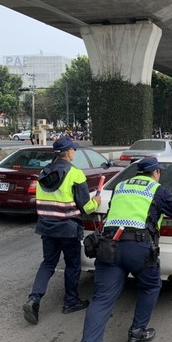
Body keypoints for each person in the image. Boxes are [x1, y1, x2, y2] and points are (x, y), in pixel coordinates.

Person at [71, 157, 172, 342]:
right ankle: (137, 333)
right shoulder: (158, 189)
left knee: (102, 299)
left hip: (110, 245)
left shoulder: (121, 186)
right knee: (151, 285)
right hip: (139, 248)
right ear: (155, 173)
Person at [22, 135, 101, 325]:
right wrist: (95, 202)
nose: (75, 151)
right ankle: (70, 302)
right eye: (73, 149)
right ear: (68, 152)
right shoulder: (75, 174)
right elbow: (85, 207)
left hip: (46, 226)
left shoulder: (44, 173)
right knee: (72, 265)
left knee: (48, 263)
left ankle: (34, 299)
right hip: (67, 228)